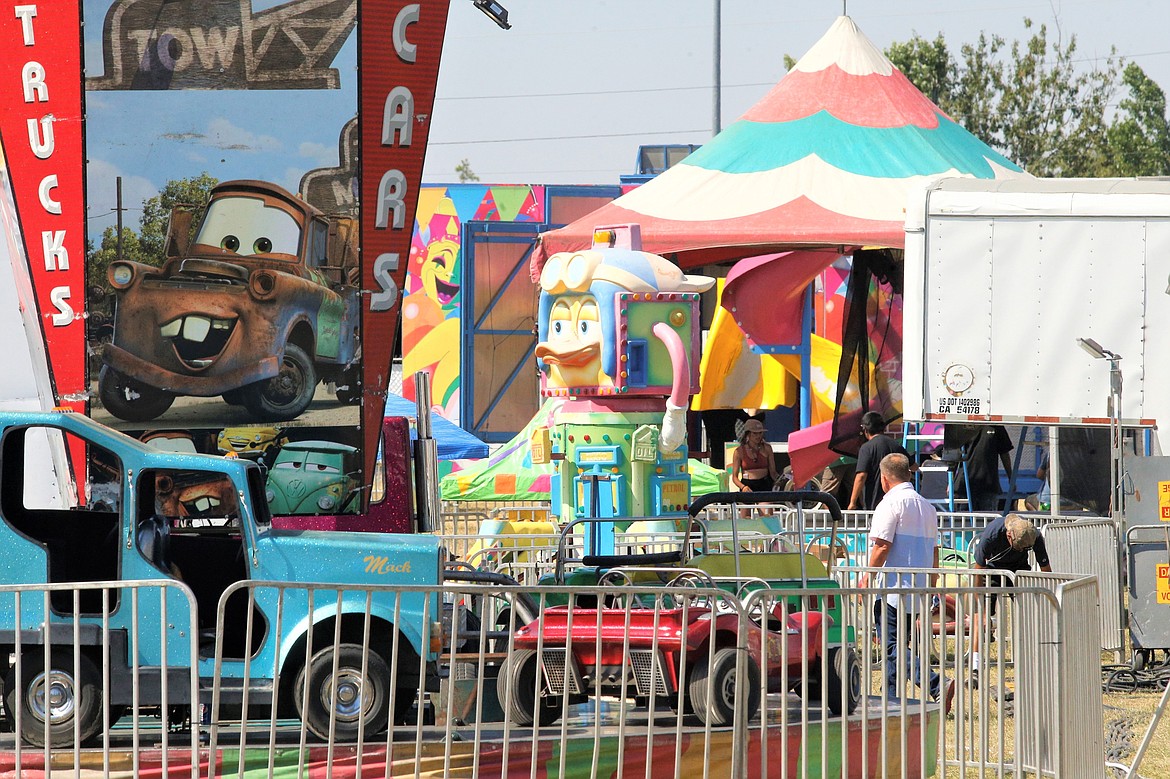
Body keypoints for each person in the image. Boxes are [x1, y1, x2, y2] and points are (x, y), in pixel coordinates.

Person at [863, 453, 954, 711]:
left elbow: (881, 546)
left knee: (892, 646)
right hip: (918, 586)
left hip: (893, 588)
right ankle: (892, 700)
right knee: (899, 646)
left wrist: (867, 576)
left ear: (884, 478)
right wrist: (933, 583)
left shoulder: (890, 504)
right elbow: (935, 551)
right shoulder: (927, 507)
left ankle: (936, 684)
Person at [969, 513, 1052, 686]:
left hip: (1019, 571)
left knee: (1030, 614)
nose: (1022, 550)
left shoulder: (1033, 534)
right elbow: (978, 569)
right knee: (981, 619)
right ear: (1009, 535)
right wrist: (978, 601)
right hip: (991, 571)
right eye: (1019, 546)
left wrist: (1049, 596)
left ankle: (1034, 660)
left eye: (1025, 548)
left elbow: (1046, 568)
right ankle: (975, 668)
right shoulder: (992, 533)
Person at [848, 411, 909, 510]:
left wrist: (852, 502)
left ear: (865, 430)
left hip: (874, 503)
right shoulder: (895, 444)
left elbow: (861, 476)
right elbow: (913, 466)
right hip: (896, 501)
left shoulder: (866, 448)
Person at [954, 425, 1013, 512]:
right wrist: (951, 482)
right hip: (965, 485)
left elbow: (1004, 453)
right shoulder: (964, 425)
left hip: (989, 485)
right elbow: (955, 455)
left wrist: (1010, 476)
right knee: (964, 521)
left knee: (989, 520)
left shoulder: (996, 426)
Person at [730, 418, 779, 495]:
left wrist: (782, 481)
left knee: (766, 507)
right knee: (745, 507)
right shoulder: (739, 451)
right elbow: (734, 477)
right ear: (748, 434)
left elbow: (773, 473)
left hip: (764, 484)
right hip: (747, 485)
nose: (758, 436)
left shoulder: (767, 448)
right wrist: (743, 487)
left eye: (760, 433)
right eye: (755, 433)